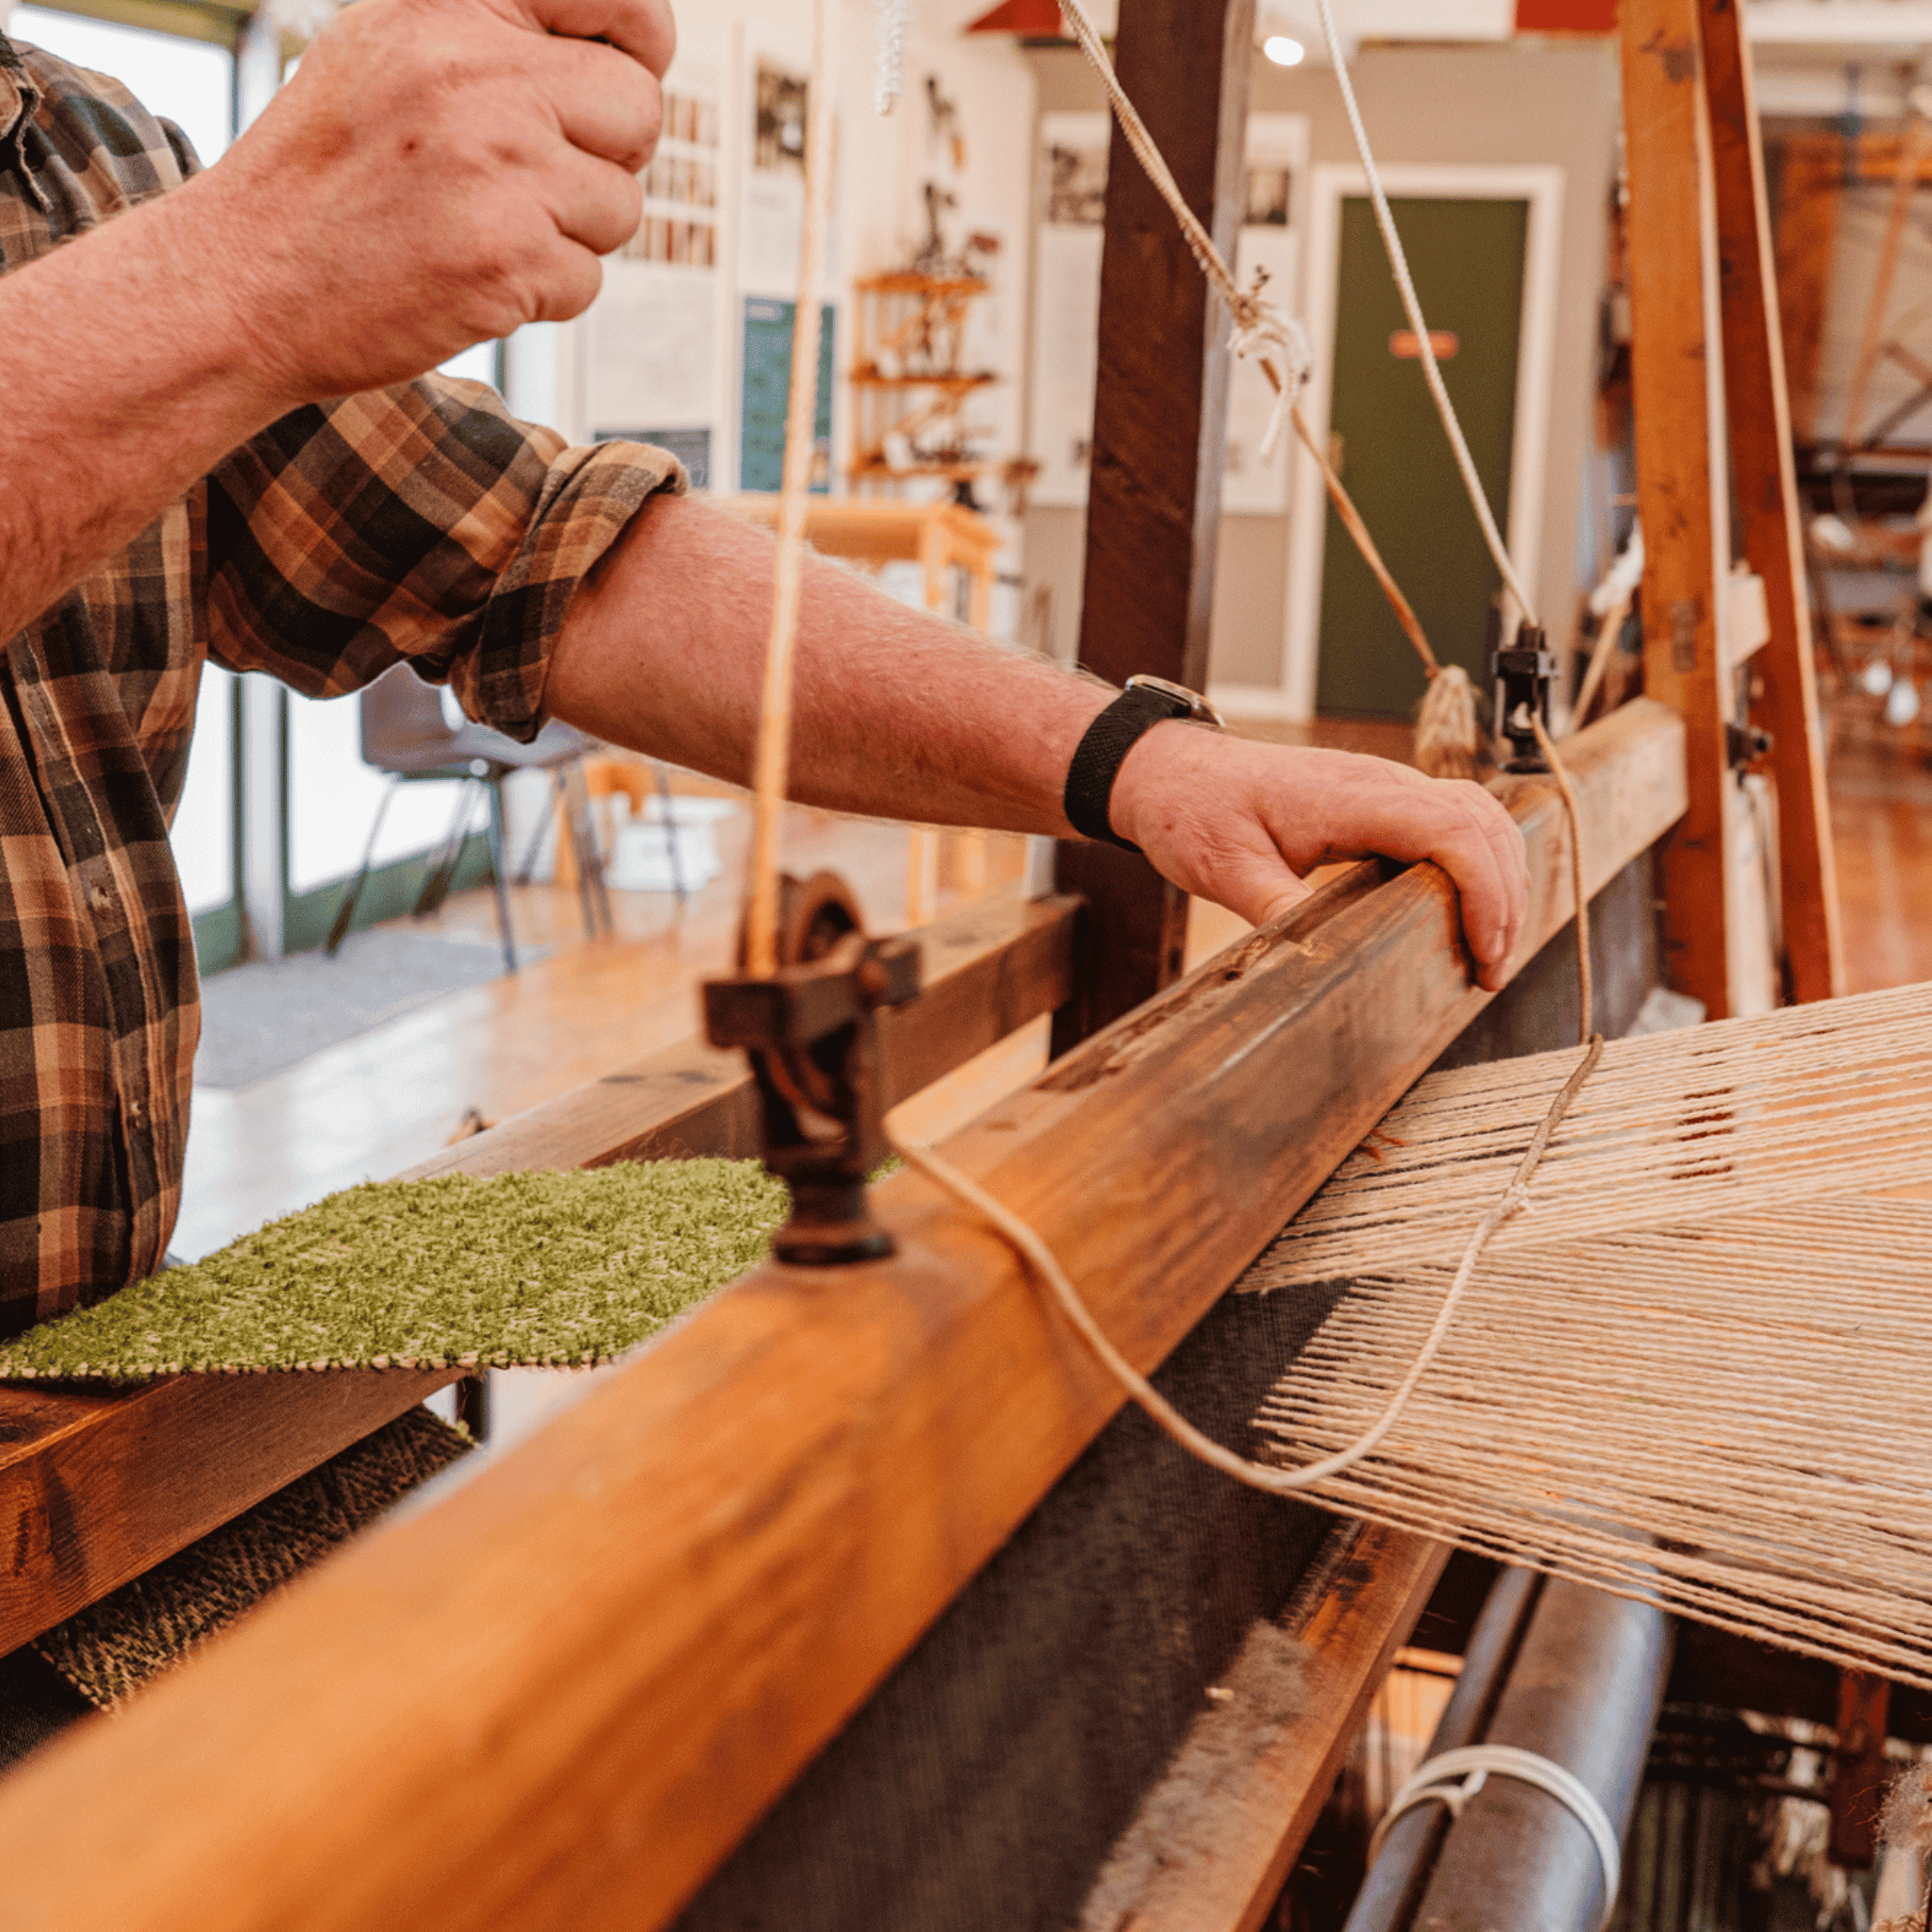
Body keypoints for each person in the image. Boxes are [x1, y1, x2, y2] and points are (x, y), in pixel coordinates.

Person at [0, 0, 1529, 1334]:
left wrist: (1146, 761)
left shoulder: (83, 153)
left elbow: (548, 558)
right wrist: (254, 266)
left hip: (80, 1405)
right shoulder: (169, 220)